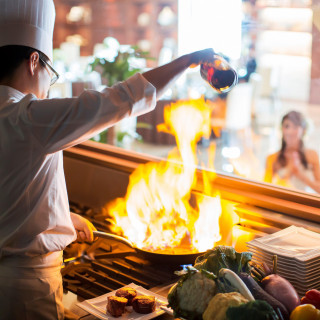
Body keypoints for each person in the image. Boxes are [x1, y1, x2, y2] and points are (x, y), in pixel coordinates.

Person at [0, 0, 216, 319]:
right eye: (51, 73)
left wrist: (61, 216)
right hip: (28, 290)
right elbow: (117, 101)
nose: (48, 87)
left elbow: (13, 185)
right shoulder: (26, 118)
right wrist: (186, 61)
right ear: (34, 61)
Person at [264, 110, 320, 193]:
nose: (290, 131)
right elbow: (265, 189)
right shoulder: (272, 158)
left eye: (295, 127)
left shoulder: (312, 155)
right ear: (281, 129)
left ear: (303, 130)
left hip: (305, 203)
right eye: (287, 126)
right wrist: (288, 171)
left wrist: (300, 175)